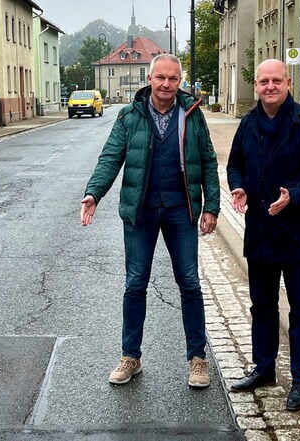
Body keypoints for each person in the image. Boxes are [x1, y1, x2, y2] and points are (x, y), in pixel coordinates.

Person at [80, 53, 220, 388]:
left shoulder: (192, 115)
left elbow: (208, 161)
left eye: (173, 79)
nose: (167, 84)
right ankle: (131, 356)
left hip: (180, 210)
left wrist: (211, 206)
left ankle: (197, 359)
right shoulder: (130, 115)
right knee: (135, 283)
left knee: (189, 282)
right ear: (150, 79)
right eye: (161, 78)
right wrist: (94, 193)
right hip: (140, 211)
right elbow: (111, 157)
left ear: (179, 81)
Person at [226, 59, 300, 411]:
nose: (269, 87)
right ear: (256, 86)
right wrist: (239, 187)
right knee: (262, 305)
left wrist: (296, 194)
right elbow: (234, 164)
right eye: (263, 82)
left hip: (295, 230)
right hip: (259, 229)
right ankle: (264, 368)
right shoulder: (247, 124)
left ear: (288, 83)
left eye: (276, 81)